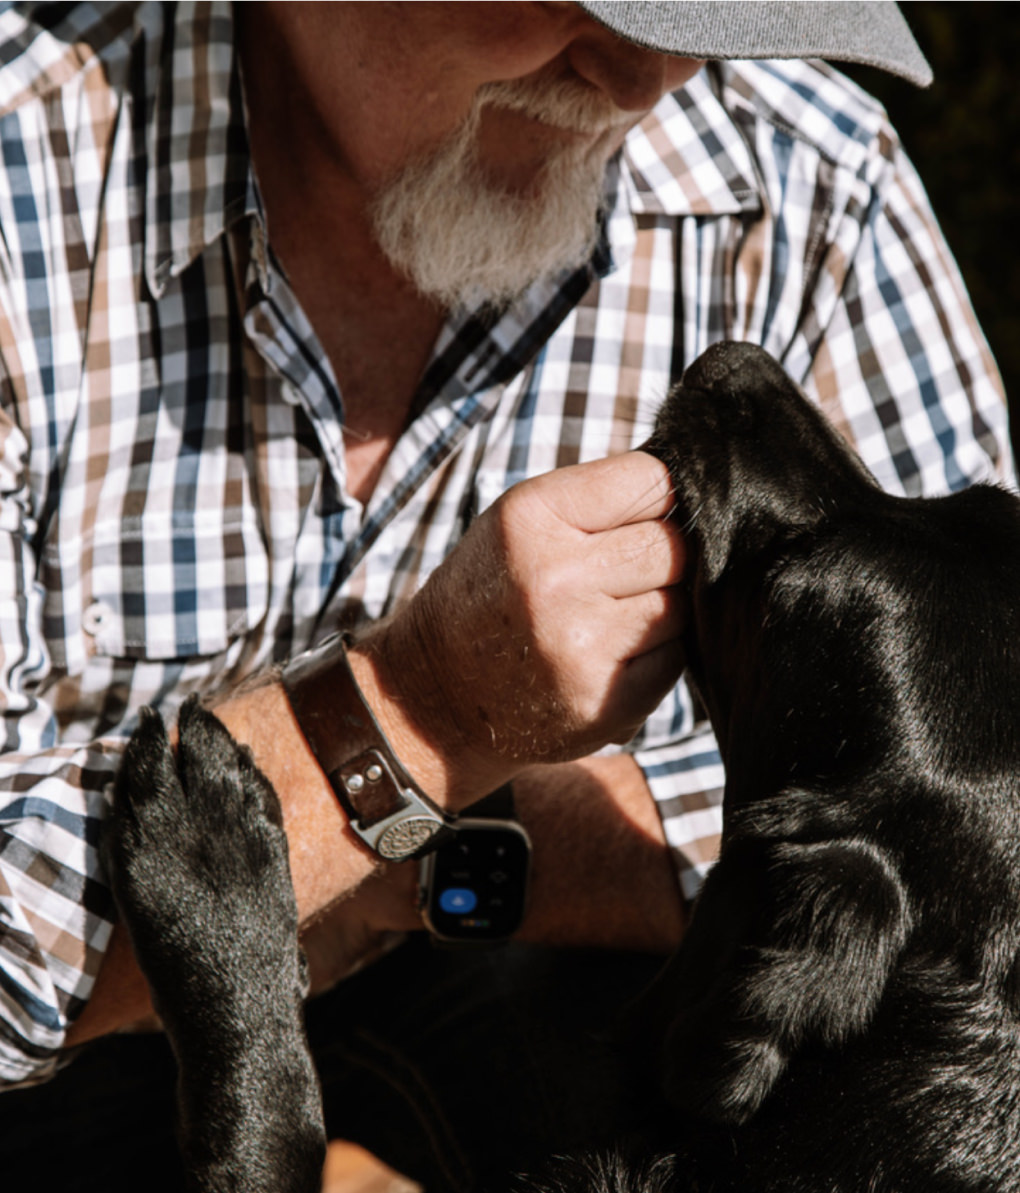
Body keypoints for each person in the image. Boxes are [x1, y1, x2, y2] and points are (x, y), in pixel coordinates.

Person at [0, 0, 1011, 1188]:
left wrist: (399, 855)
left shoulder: (809, 182)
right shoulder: (31, 162)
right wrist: (418, 707)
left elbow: (974, 842)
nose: (649, 78)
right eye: (587, 0)